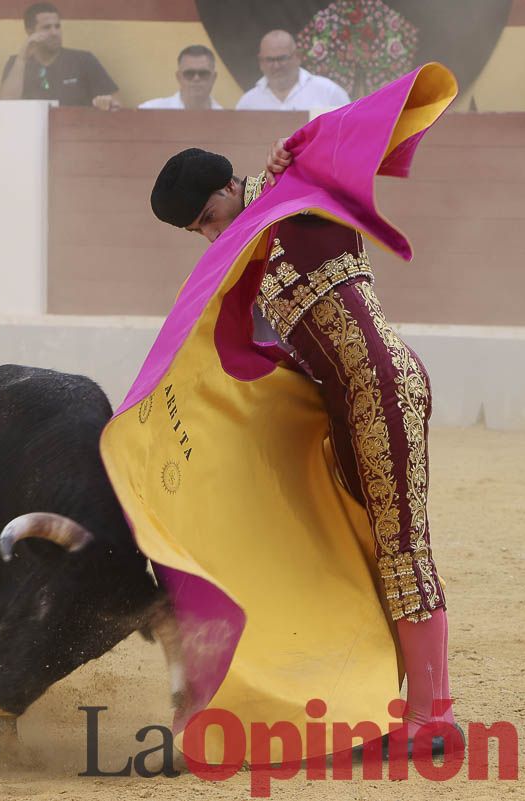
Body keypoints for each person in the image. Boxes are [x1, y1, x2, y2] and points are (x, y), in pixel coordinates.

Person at [149, 146, 457, 756]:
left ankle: (433, 719)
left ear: (231, 182)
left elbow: (356, 137)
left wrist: (301, 151)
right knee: (353, 543)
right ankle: (382, 709)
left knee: (400, 544)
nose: (211, 234)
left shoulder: (299, 195)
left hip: (382, 389)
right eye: (198, 231)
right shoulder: (246, 248)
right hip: (342, 402)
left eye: (211, 215)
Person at [0, 2, 120, 110]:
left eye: (57, 26)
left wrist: (106, 103)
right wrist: (22, 58)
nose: (54, 33)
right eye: (47, 27)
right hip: (31, 133)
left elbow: (116, 103)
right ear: (30, 32)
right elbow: (6, 107)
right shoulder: (17, 63)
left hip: (78, 132)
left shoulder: (83, 60)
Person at [234, 30, 349, 112]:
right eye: (270, 60)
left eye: (282, 58)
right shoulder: (248, 102)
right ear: (260, 62)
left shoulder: (328, 93)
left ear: (297, 56)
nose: (276, 65)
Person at [138, 44, 223, 110]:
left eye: (203, 73)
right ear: (178, 77)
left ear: (214, 78)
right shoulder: (150, 110)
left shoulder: (224, 118)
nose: (196, 78)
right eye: (189, 73)